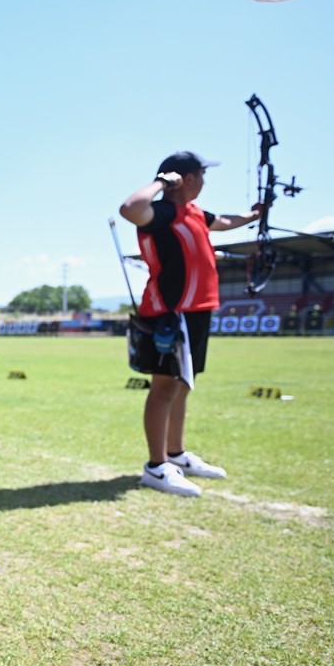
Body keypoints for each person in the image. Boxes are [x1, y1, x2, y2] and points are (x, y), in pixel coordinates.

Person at [119, 151, 261, 497]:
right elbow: (130, 209)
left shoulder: (195, 213)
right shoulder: (162, 213)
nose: (204, 181)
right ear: (187, 178)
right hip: (171, 312)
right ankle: (156, 467)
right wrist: (162, 182)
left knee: (183, 384)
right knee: (164, 387)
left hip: (197, 310)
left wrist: (255, 215)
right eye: (201, 174)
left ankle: (176, 454)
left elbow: (223, 221)